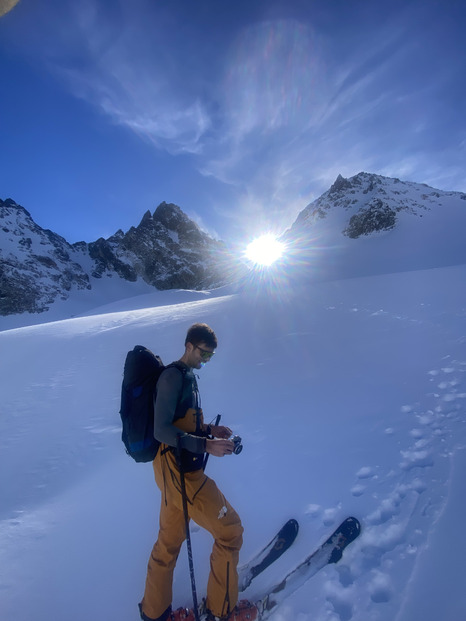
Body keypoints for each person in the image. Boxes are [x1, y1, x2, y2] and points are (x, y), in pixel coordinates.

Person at [139, 323, 252, 621]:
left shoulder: (187, 376)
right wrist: (207, 446)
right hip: (180, 472)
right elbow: (162, 430)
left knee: (168, 543)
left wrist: (209, 430)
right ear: (189, 345)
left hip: (174, 471)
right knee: (230, 532)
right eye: (204, 353)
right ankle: (221, 612)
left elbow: (180, 423)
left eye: (211, 356)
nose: (206, 360)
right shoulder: (172, 377)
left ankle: (154, 614)